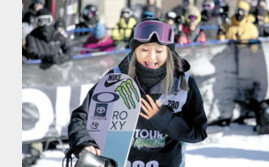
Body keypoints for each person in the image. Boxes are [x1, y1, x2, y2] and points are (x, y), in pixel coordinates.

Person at [68, 18, 207, 167]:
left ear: (168, 52)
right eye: (144, 50)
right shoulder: (115, 79)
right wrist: (83, 144)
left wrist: (163, 118)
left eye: (159, 51)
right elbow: (81, 117)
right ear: (135, 51)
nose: (151, 57)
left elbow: (199, 132)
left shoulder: (183, 83)